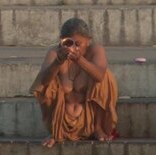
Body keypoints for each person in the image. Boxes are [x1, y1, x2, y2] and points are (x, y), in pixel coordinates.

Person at [30, 18, 118, 148]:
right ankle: (56, 131)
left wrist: (79, 60)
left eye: (78, 44)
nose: (73, 48)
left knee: (106, 77)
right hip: (63, 120)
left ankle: (97, 127)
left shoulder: (95, 50)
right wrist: (58, 62)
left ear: (88, 41)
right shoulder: (55, 53)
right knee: (45, 78)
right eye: (69, 43)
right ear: (61, 40)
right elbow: (43, 83)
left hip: (90, 120)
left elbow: (99, 76)